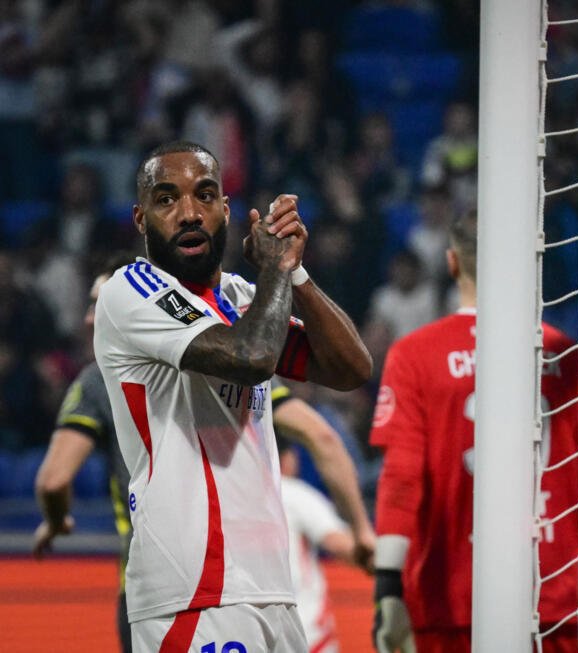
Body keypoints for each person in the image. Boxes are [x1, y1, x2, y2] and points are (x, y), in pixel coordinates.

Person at [92, 140, 372, 651]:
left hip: (271, 585)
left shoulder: (244, 297)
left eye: (204, 195)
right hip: (193, 590)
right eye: (166, 199)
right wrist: (275, 275)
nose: (189, 213)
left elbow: (351, 367)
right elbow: (250, 359)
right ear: (140, 218)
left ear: (226, 208)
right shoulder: (127, 291)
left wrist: (295, 270)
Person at [32, 257, 378, 652]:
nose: (93, 318)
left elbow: (54, 478)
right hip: (254, 585)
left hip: (169, 579)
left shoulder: (97, 380)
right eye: (92, 305)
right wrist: (362, 528)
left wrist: (57, 521)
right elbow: (321, 435)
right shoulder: (234, 350)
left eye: (100, 304)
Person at [370, 210, 578, 652]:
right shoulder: (560, 351)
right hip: (549, 589)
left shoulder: (414, 354)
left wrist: (387, 587)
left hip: (450, 594)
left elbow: (402, 478)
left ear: (452, 262)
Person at [277, 433, 356, 653]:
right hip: (305, 632)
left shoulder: (238, 497)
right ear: (287, 458)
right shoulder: (292, 491)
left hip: (256, 633)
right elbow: (338, 543)